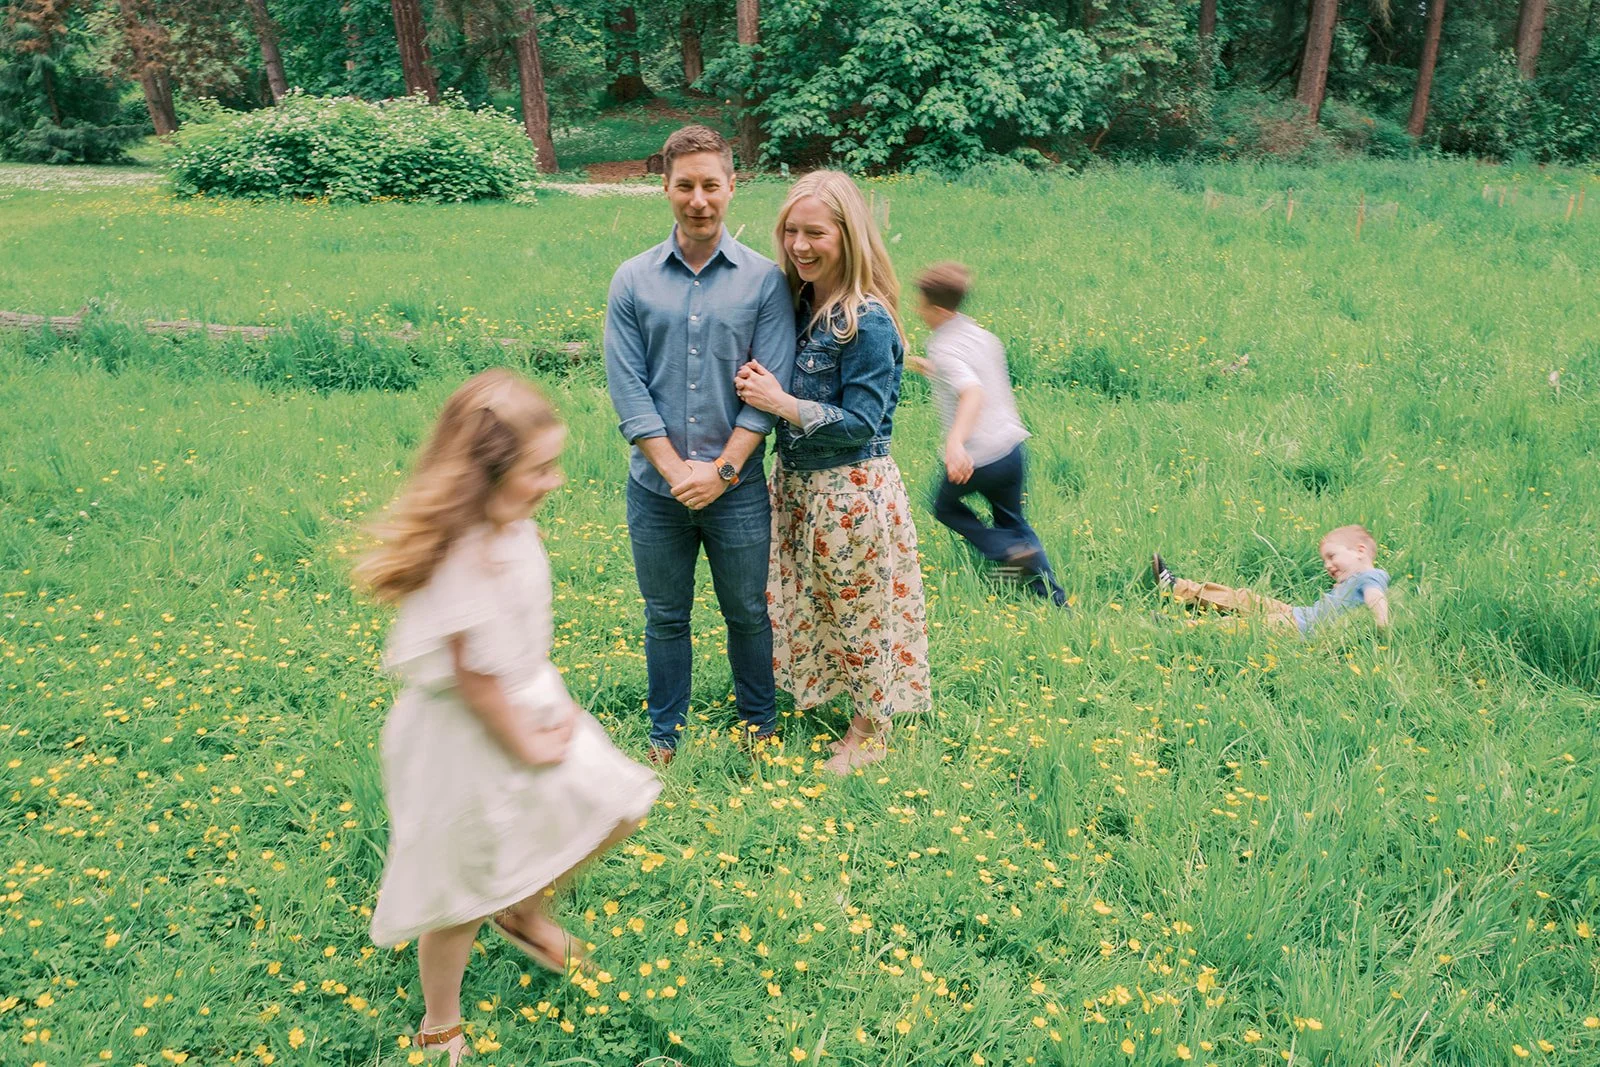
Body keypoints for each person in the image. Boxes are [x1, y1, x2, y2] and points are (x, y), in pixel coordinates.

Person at [357, 370, 660, 1066]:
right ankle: (441, 1019)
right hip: (462, 732)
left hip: (523, 699)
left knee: (621, 803)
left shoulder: (510, 521)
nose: (554, 481)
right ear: (483, 477)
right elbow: (473, 678)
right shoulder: (463, 552)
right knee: (460, 890)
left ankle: (523, 905)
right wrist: (526, 740)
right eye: (539, 468)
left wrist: (546, 714)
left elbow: (507, 658)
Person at [604, 124, 797, 766]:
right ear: (664, 188)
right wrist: (676, 471)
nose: (699, 200)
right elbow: (628, 387)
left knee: (746, 610)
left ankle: (759, 726)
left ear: (732, 187)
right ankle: (665, 733)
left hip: (736, 489)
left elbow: (768, 388)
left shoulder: (766, 282)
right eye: (684, 186)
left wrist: (720, 470)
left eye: (711, 185)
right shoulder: (632, 281)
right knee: (665, 614)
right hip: (655, 490)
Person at [734, 170, 931, 775]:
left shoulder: (864, 319)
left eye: (815, 232)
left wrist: (783, 405)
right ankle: (841, 701)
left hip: (850, 492)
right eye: (790, 231)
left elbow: (862, 423)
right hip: (795, 487)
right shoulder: (794, 305)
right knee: (810, 604)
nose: (799, 245)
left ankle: (872, 731)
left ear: (848, 236)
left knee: (860, 610)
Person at [908, 261, 1066, 606]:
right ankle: (1053, 599)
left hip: (976, 457)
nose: (917, 311)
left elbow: (972, 391)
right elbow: (967, 371)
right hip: (1010, 449)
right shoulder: (980, 335)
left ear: (935, 309)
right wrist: (929, 369)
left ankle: (1007, 553)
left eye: (919, 304)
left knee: (944, 507)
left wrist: (955, 442)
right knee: (1013, 521)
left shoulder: (943, 345)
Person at [1153, 524, 1391, 635]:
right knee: (1245, 599)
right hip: (1298, 614)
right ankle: (1178, 588)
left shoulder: (1371, 577)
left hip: (1301, 629)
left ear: (1360, 551)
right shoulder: (1353, 580)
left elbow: (1376, 597)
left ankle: (1182, 629)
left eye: (1332, 556)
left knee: (1246, 627)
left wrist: (1382, 626)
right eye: (1324, 560)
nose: (1327, 565)